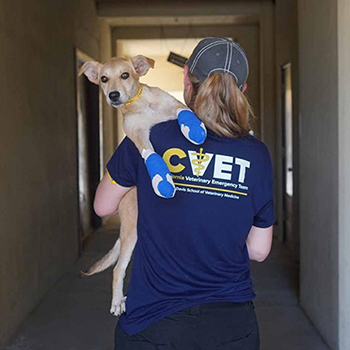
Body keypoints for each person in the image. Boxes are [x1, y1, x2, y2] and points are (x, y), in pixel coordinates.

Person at [94, 37, 275, 350]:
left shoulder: (149, 135)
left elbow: (102, 205)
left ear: (186, 79)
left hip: (153, 322)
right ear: (241, 90)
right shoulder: (256, 154)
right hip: (230, 326)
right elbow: (259, 250)